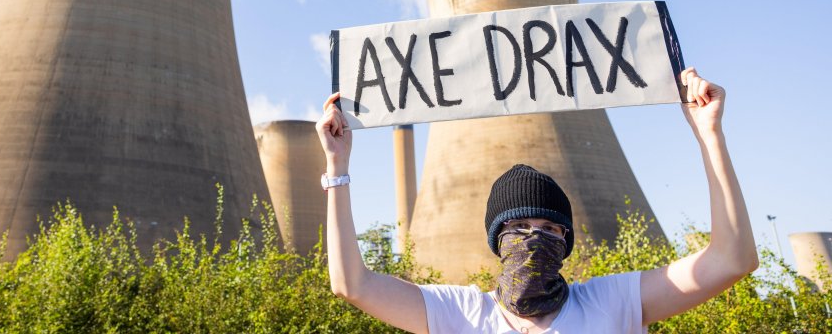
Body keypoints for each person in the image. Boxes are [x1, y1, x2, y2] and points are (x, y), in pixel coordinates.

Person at [315, 67, 758, 333]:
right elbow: (352, 285)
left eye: (548, 229)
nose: (533, 238)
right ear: (497, 239)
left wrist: (709, 133)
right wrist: (337, 169)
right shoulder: (460, 314)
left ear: (565, 241)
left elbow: (731, 259)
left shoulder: (612, 302)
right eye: (518, 228)